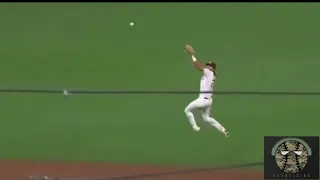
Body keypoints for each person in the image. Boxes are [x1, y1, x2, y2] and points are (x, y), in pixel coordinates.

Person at [184, 44, 229, 137]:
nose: (208, 66)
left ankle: (195, 127)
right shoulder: (211, 75)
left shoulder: (209, 73)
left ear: (213, 68)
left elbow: (197, 66)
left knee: (187, 110)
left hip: (202, 100)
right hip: (208, 101)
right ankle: (222, 129)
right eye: (207, 65)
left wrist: (192, 55)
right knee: (207, 118)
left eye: (210, 66)